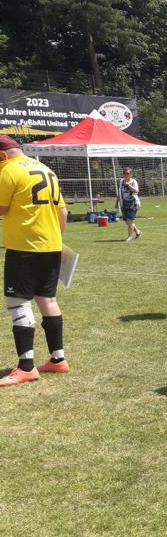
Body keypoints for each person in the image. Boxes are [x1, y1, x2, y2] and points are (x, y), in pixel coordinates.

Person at [0, 134, 69, 386]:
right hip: (51, 245)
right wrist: (55, 240)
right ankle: (58, 359)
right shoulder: (46, 169)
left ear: (3, 155)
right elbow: (63, 212)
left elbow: (2, 208)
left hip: (24, 247)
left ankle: (26, 367)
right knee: (47, 299)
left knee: (18, 301)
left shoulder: (8, 170)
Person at [118, 167, 142, 241]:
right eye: (124, 173)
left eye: (127, 173)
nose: (126, 175)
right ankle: (138, 232)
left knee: (129, 220)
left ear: (131, 174)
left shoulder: (134, 182)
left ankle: (130, 236)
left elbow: (136, 191)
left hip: (133, 203)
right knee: (126, 220)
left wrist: (129, 185)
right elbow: (119, 192)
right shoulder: (121, 182)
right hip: (124, 203)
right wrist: (117, 202)